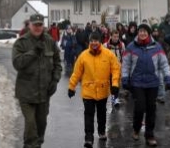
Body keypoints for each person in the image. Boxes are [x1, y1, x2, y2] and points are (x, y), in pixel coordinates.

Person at [12, 13, 62, 148]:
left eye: (40, 25)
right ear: (30, 25)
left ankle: (36, 144)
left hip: (44, 93)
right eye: (35, 25)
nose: (38, 28)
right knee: (30, 125)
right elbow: (17, 63)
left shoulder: (50, 42)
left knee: (41, 125)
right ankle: (30, 145)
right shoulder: (21, 43)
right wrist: (33, 52)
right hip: (26, 93)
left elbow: (57, 63)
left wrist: (55, 80)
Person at [122, 23, 170, 147]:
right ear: (137, 33)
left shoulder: (157, 47)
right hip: (137, 82)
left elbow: (164, 64)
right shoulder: (131, 47)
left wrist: (168, 78)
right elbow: (126, 64)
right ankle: (136, 128)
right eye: (140, 31)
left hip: (152, 82)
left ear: (149, 33)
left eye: (145, 31)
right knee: (139, 107)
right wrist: (124, 78)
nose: (142, 33)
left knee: (151, 109)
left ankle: (149, 135)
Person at [68, 32, 121, 148]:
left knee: (102, 114)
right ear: (89, 42)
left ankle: (101, 131)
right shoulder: (83, 56)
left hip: (103, 91)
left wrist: (115, 84)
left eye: (96, 40)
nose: (94, 43)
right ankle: (88, 138)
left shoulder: (109, 55)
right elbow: (76, 73)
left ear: (100, 41)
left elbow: (116, 69)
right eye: (92, 40)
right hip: (88, 92)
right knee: (88, 115)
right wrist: (71, 87)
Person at [104, 29, 125, 106]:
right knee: (111, 83)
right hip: (109, 67)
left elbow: (123, 55)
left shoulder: (121, 45)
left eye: (117, 37)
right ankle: (113, 97)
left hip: (118, 67)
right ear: (111, 36)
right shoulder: (106, 45)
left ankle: (115, 98)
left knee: (117, 84)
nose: (116, 38)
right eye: (114, 36)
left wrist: (123, 66)